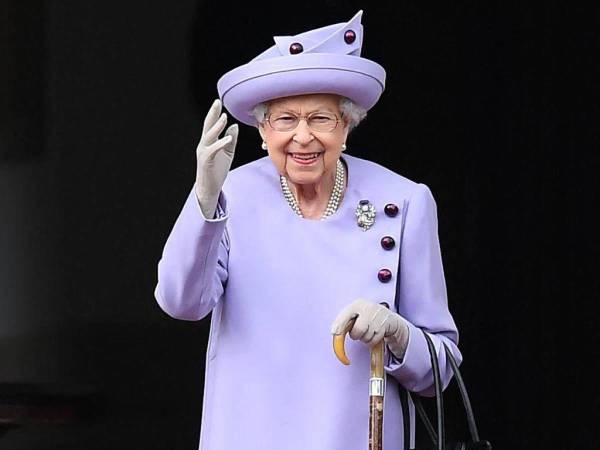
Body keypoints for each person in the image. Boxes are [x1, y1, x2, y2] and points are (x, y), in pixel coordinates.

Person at [154, 10, 461, 450]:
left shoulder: (405, 200)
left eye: (320, 119)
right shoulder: (232, 194)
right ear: (262, 130)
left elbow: (440, 368)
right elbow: (180, 302)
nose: (303, 137)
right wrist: (204, 195)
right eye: (285, 120)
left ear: (347, 125)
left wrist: (398, 333)